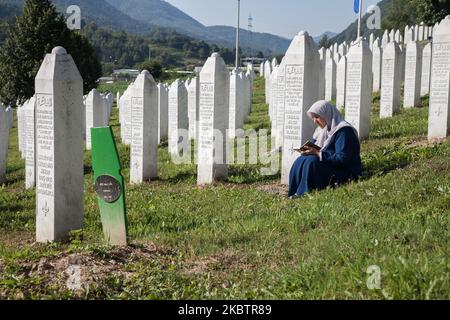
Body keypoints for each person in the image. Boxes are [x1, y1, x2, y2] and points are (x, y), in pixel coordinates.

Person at [288, 100, 362, 198]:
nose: (315, 121)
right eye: (313, 118)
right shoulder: (322, 130)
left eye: (317, 117)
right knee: (301, 159)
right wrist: (308, 150)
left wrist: (318, 153)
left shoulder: (344, 131)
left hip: (345, 171)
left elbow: (343, 159)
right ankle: (295, 191)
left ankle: (305, 192)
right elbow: (317, 147)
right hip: (330, 164)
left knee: (312, 161)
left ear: (327, 114)